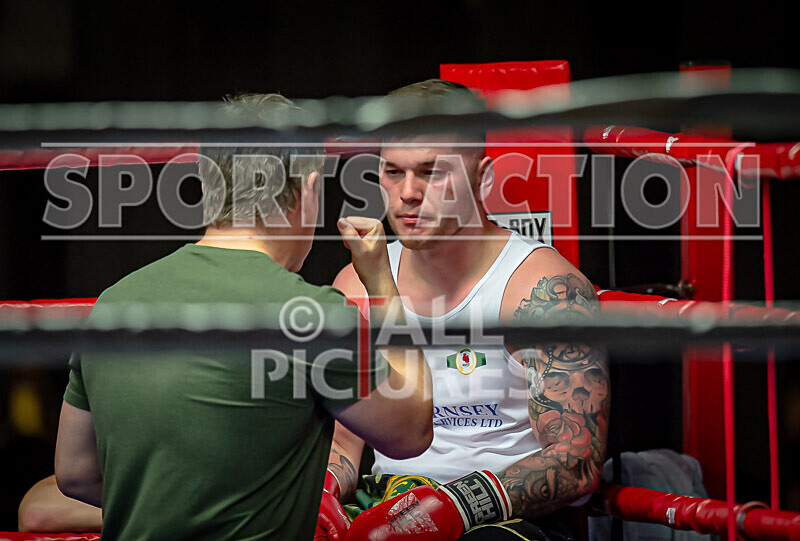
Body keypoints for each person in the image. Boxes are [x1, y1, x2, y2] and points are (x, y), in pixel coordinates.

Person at [52, 93, 433, 540]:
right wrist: (382, 282)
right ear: (309, 192)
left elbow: (74, 472)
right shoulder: (309, 313)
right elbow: (411, 432)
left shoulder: (112, 304)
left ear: (205, 187)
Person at [323, 80, 610, 540]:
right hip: (384, 507)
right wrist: (323, 493)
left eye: (432, 172)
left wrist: (455, 506)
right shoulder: (359, 282)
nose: (408, 192)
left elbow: (575, 461)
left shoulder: (540, 290)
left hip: (507, 519)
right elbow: (343, 442)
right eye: (393, 172)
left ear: (483, 178)